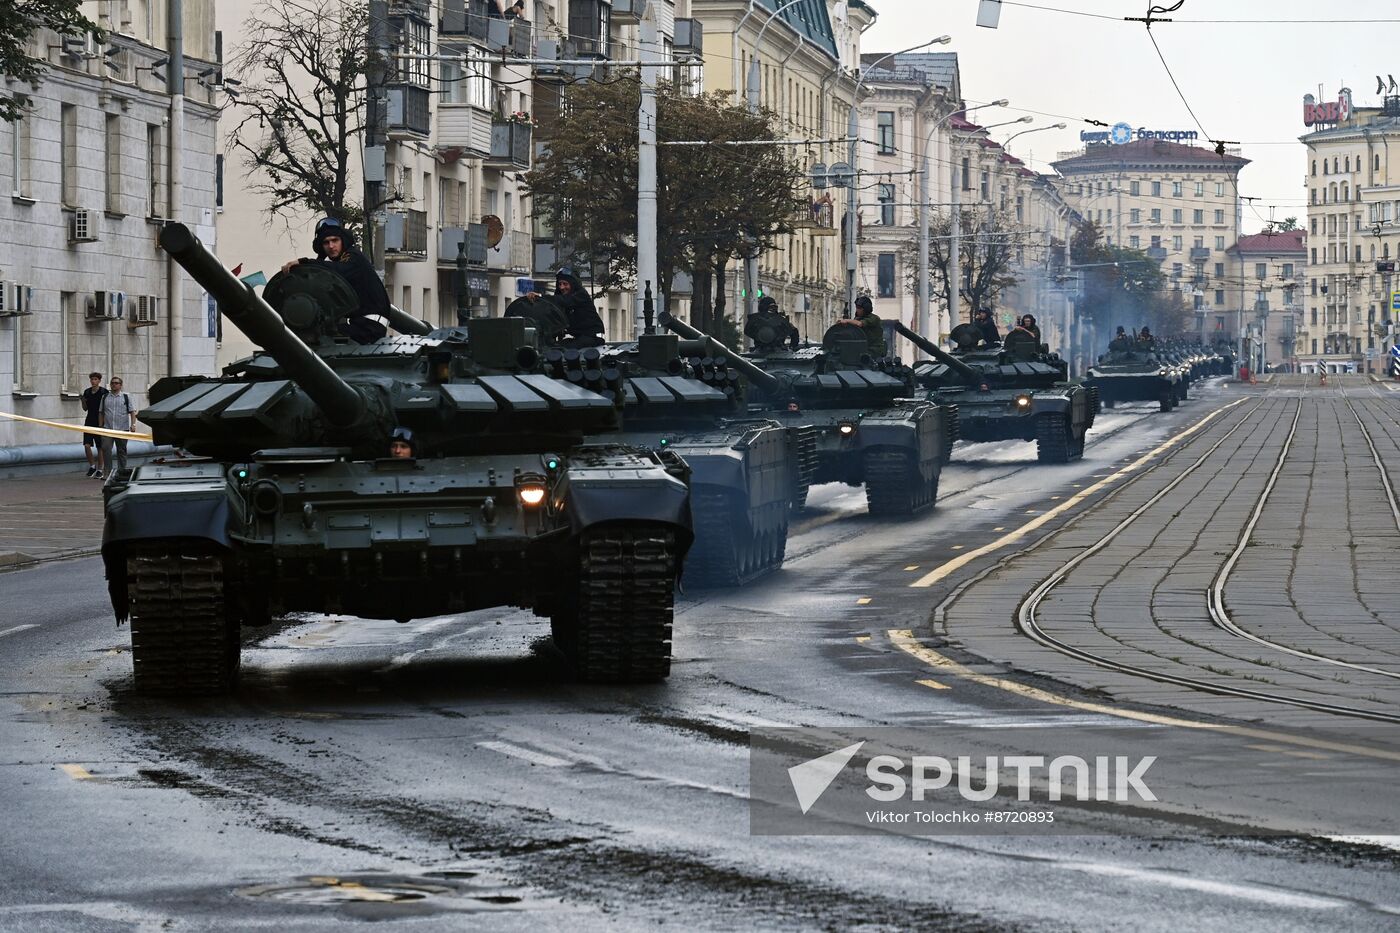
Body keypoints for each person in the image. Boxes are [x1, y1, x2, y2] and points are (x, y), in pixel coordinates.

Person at [281, 217, 391, 344]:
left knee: (319, 337)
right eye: (326, 242)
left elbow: (337, 271)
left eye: (335, 240)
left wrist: (304, 262)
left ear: (343, 241)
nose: (331, 246)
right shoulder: (342, 260)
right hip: (362, 325)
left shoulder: (353, 257)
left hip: (369, 327)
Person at [529, 268, 604, 347]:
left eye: (565, 284)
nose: (562, 287)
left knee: (566, 350)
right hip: (578, 337)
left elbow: (565, 301)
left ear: (573, 284)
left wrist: (540, 296)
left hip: (593, 337)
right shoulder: (561, 299)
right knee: (553, 348)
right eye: (560, 284)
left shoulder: (581, 295)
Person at [98, 377, 136, 478]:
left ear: (120, 385)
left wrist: (133, 424)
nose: (114, 385)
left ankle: (121, 472)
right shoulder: (105, 397)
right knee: (106, 449)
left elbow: (132, 412)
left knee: (122, 450)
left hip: (122, 429)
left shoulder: (126, 397)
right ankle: (107, 472)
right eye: (112, 383)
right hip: (107, 428)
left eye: (116, 383)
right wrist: (100, 425)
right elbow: (101, 412)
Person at [79, 371, 107, 478]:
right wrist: (82, 400)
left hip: (100, 421)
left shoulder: (103, 392)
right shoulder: (87, 392)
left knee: (100, 447)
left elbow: (106, 408)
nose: (93, 381)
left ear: (99, 381)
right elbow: (85, 408)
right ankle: (92, 466)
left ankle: (100, 469)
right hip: (89, 420)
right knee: (87, 445)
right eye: (92, 379)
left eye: (95, 379)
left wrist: (103, 423)